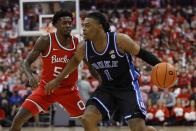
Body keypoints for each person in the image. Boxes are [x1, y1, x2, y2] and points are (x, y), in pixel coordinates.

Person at [44, 12, 160, 131]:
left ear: (99, 26)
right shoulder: (84, 46)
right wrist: (57, 80)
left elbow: (143, 54)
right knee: (87, 119)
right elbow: (75, 62)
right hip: (106, 88)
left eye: (87, 26)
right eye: (83, 26)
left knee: (139, 129)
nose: (83, 29)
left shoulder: (119, 40)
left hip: (128, 88)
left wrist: (160, 65)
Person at [10, 10, 85, 131]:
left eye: (70, 23)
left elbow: (88, 63)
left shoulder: (78, 43)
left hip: (68, 90)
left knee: (88, 121)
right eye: (64, 23)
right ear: (55, 24)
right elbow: (26, 63)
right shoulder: (45, 41)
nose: (68, 26)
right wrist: (30, 76)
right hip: (46, 89)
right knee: (18, 119)